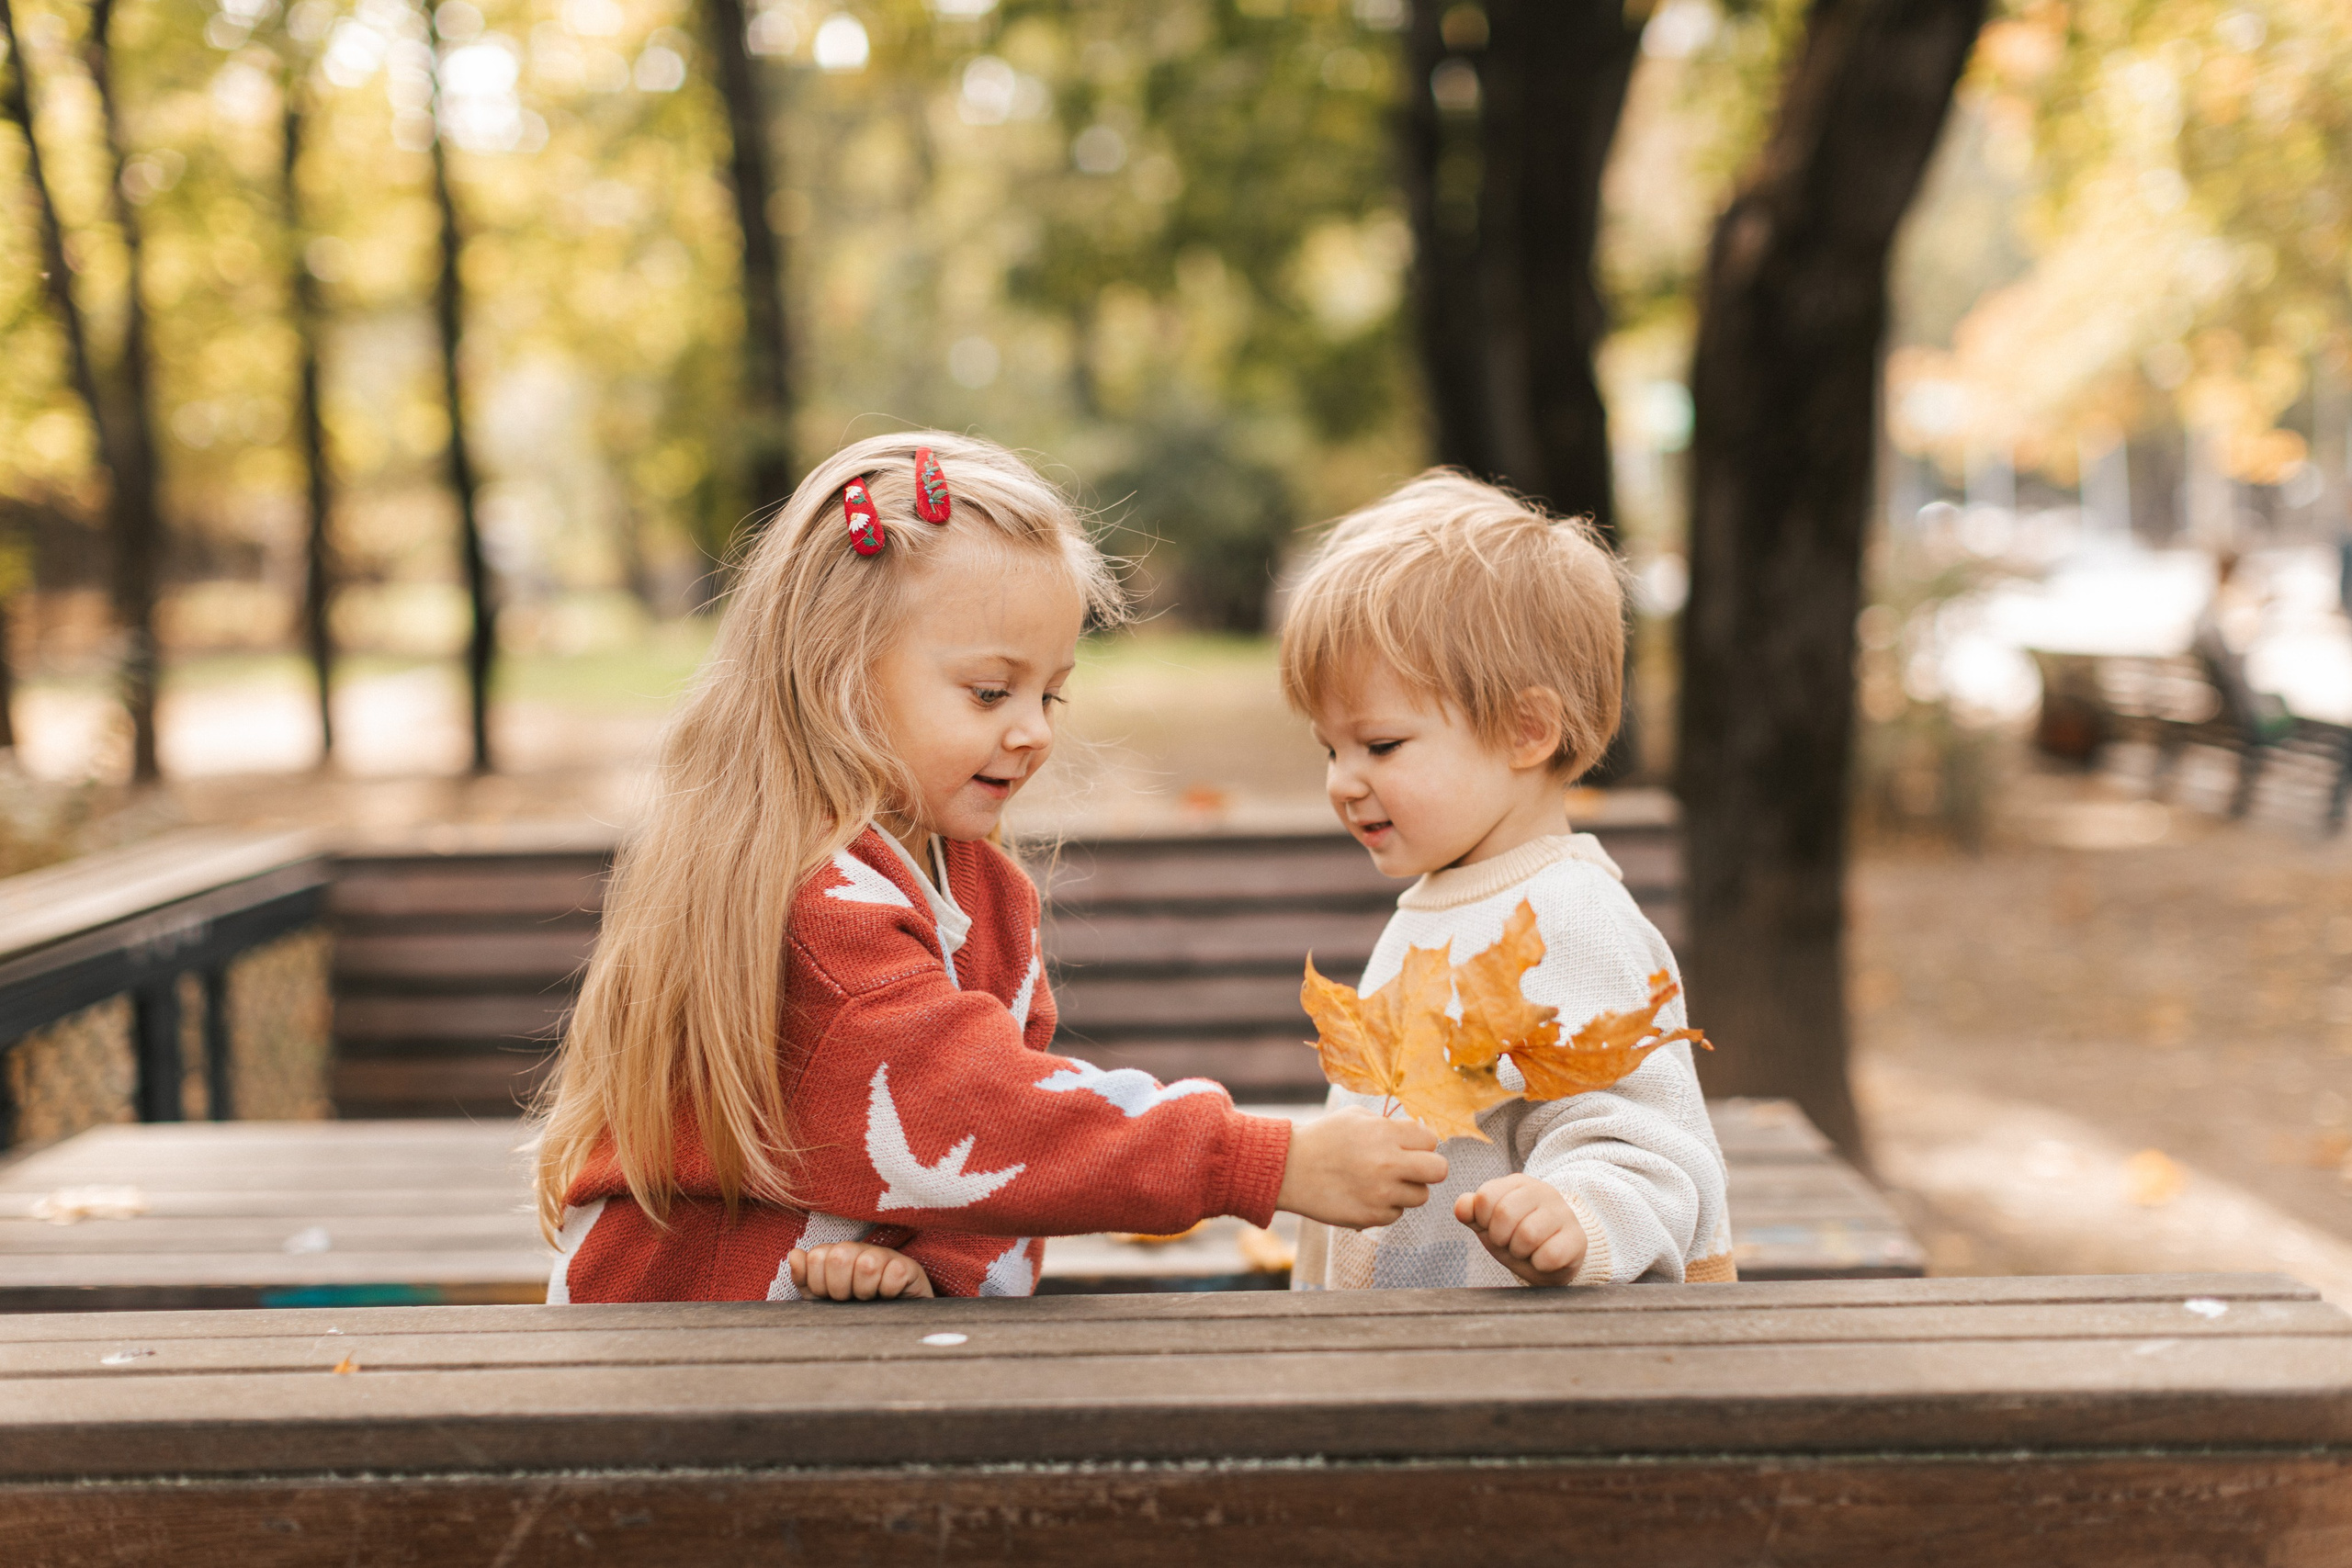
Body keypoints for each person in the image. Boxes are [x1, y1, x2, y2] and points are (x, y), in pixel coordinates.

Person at [531, 432, 1445, 1303]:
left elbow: (969, 1155)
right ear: (834, 674)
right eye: (988, 691)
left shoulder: (982, 890)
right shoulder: (816, 909)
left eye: (1049, 692)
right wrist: (1262, 1161)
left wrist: (926, 1255)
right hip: (682, 1352)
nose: (1034, 729)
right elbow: (978, 1111)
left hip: (814, 1358)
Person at [1277, 470, 1735, 1290]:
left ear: (1527, 730)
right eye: (1329, 749)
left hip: (1540, 1372)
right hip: (1427, 1361)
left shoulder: (1568, 913)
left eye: (1380, 745)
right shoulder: (1451, 894)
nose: (1343, 780)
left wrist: (1577, 1215)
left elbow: (1645, 1140)